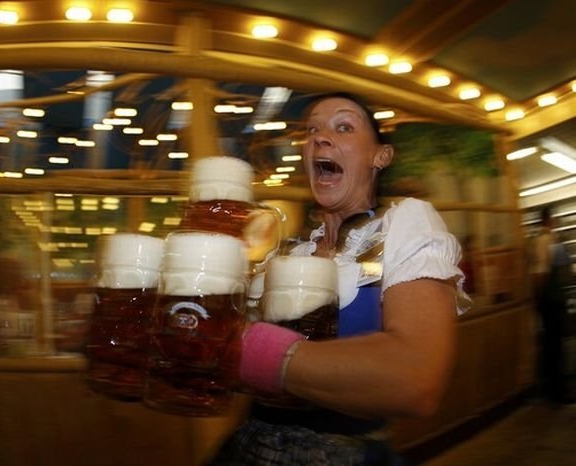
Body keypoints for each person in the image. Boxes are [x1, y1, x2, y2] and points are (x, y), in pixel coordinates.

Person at [209, 92, 470, 465]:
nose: (319, 137)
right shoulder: (288, 254)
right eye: (312, 129)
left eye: (344, 127)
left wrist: (246, 351)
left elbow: (416, 380)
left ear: (380, 156)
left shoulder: (402, 225)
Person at [531, 206, 572, 405]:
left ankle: (554, 389)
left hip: (551, 298)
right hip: (552, 299)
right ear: (549, 220)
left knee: (553, 343)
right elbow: (542, 272)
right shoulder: (545, 240)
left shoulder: (549, 240)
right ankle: (555, 392)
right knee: (554, 344)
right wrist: (540, 299)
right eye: (554, 219)